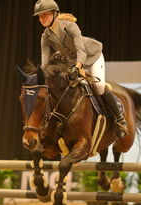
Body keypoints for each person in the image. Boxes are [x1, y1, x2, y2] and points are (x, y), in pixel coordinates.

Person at [33, 0, 128, 138]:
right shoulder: (45, 36)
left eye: (45, 15)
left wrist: (78, 67)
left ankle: (120, 119)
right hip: (71, 60)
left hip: (91, 56)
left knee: (99, 85)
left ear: (55, 13)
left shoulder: (70, 26)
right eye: (40, 16)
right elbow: (45, 60)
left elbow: (81, 51)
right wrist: (41, 76)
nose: (42, 19)